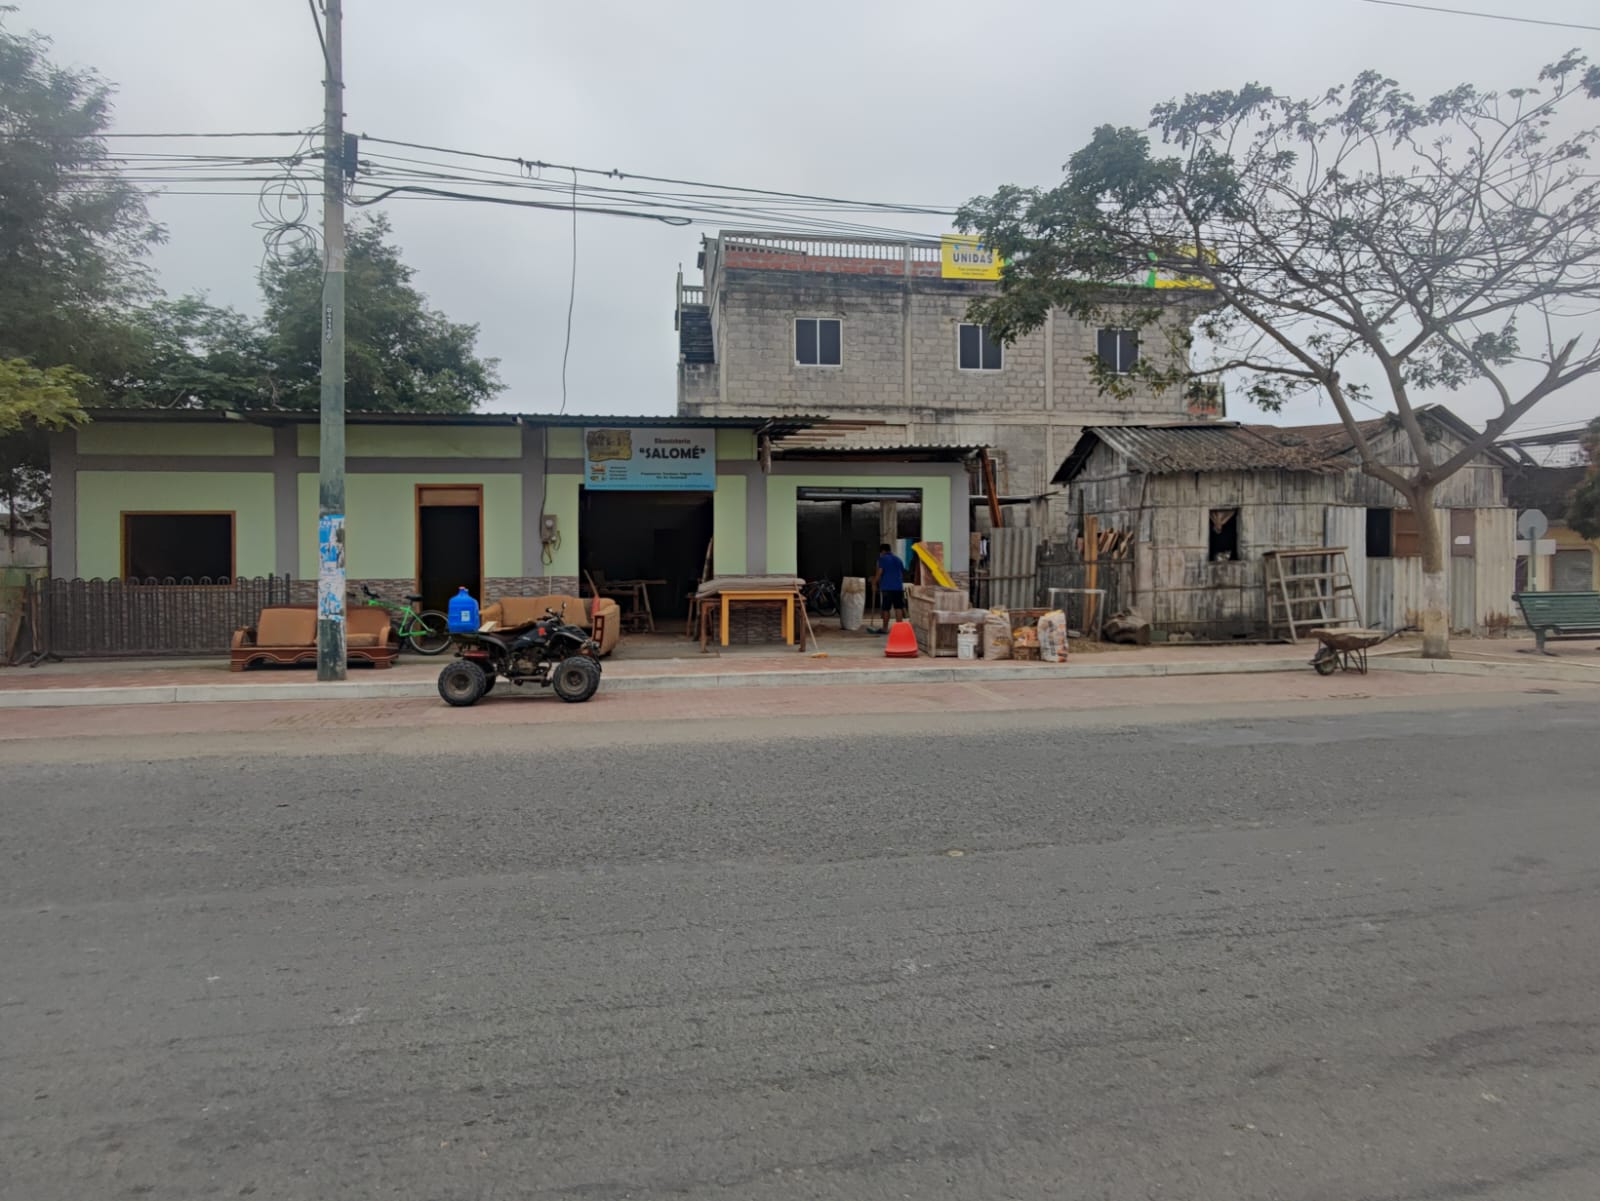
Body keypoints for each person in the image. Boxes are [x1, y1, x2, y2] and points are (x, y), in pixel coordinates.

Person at [872, 542, 907, 633]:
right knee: (898, 607)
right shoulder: (898, 559)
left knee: (886, 608)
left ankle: (885, 628)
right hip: (898, 587)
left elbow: (879, 573)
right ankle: (899, 629)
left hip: (887, 587)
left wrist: (874, 583)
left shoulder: (882, 559)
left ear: (882, 551)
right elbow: (902, 573)